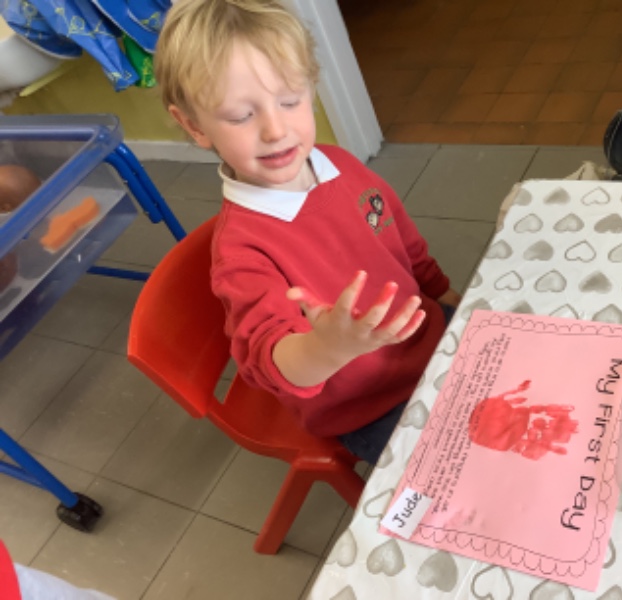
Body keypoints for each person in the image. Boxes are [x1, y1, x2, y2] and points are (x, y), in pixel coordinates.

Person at [154, 0, 461, 464]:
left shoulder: (340, 163)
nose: (275, 130)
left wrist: (444, 295)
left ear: (311, 87)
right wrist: (326, 347)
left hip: (430, 335)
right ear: (194, 125)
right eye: (240, 116)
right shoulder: (241, 252)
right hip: (370, 405)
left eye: (290, 101)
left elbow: (402, 242)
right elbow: (266, 360)